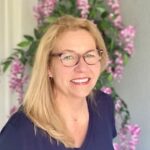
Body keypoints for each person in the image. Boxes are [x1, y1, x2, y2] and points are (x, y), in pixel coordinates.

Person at [0, 15, 117, 150]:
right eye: (68, 57)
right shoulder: (19, 132)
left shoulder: (104, 105)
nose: (82, 68)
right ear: (48, 67)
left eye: (90, 55)